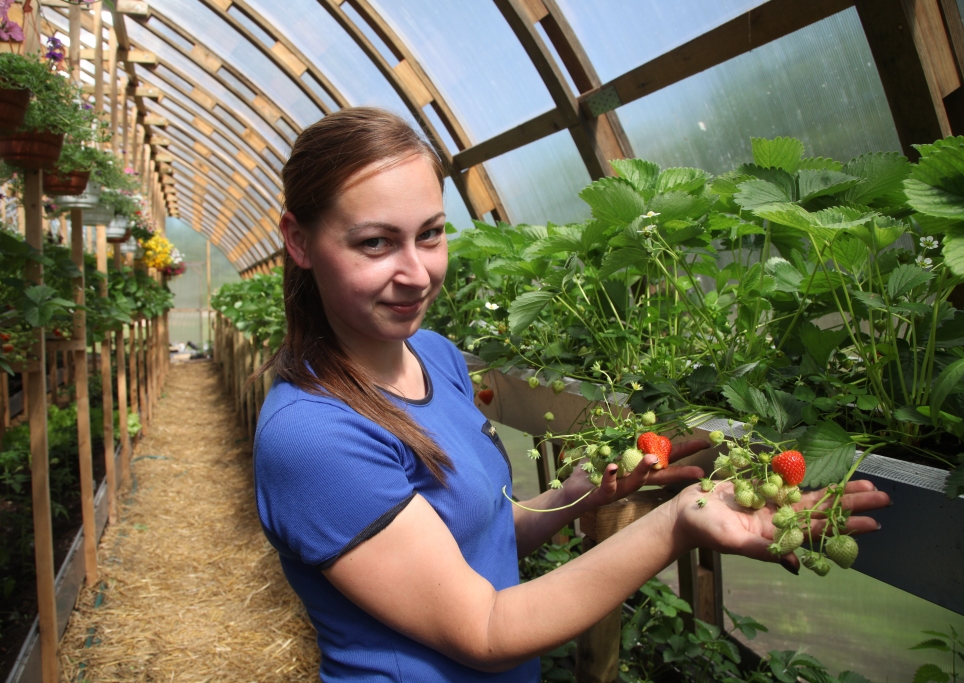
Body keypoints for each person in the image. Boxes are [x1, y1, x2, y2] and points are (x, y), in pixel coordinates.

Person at [252, 107, 889, 682]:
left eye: (431, 234)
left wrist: (571, 497)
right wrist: (679, 522)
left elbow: (476, 540)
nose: (417, 273)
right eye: (375, 242)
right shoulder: (315, 436)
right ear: (300, 241)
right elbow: (485, 629)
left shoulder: (436, 358)